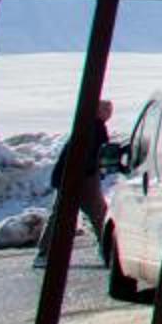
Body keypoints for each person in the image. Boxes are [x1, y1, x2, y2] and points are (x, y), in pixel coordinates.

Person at [34, 98, 113, 272]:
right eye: (106, 109)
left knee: (62, 215)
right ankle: (109, 251)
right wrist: (94, 170)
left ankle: (44, 253)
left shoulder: (87, 125)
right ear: (98, 111)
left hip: (71, 176)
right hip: (82, 177)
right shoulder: (96, 127)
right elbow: (94, 154)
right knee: (99, 215)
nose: (109, 113)